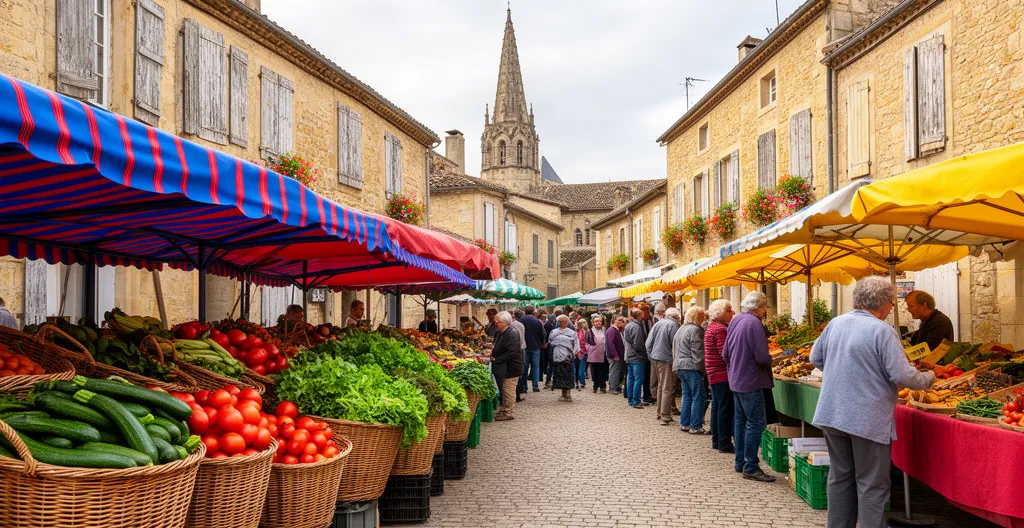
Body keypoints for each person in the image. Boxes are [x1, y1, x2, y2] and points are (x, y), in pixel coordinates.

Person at [812, 276, 935, 528]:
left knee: (840, 477)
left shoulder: (836, 323)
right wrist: (929, 377)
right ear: (880, 303)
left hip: (832, 412)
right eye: (891, 302)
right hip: (866, 417)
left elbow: (816, 357)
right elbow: (902, 375)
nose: (892, 307)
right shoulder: (882, 331)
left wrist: (844, 371)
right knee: (871, 483)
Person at [723, 291, 775, 482]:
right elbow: (761, 356)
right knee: (756, 422)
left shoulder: (736, 320)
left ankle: (740, 462)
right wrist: (771, 360)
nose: (765, 310)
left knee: (740, 421)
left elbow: (725, 352)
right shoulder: (754, 323)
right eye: (765, 306)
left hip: (736, 378)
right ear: (759, 307)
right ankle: (751, 465)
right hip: (750, 380)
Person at [705, 299, 736, 453]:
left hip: (713, 373)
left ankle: (717, 440)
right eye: (730, 310)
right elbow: (725, 353)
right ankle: (724, 442)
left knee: (717, 407)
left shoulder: (712, 327)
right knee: (725, 408)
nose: (732, 313)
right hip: (721, 373)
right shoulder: (720, 329)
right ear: (722, 313)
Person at [674, 306, 709, 434]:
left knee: (687, 395)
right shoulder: (695, 330)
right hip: (692, 366)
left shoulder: (681, 329)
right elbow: (698, 352)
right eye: (702, 316)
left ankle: (685, 423)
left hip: (681, 365)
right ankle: (695, 426)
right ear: (697, 317)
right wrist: (703, 369)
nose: (704, 318)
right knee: (698, 396)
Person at [646, 307, 681, 425]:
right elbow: (675, 344)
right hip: (666, 359)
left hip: (656, 357)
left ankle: (660, 412)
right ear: (676, 317)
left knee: (661, 386)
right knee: (667, 387)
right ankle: (665, 415)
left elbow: (648, 342)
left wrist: (651, 354)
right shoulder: (674, 325)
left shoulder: (658, 323)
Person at [491, 311, 526, 421]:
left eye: (499, 322)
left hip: (512, 366)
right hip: (507, 365)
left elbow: (513, 352)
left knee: (508, 389)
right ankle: (504, 409)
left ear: (506, 322)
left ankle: (509, 412)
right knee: (505, 389)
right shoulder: (502, 332)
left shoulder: (511, 333)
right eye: (495, 321)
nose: (496, 323)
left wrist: (497, 359)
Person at [548, 314, 580, 402]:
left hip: (567, 357)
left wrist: (573, 354)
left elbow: (576, 345)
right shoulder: (553, 332)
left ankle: (568, 394)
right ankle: (563, 393)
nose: (562, 323)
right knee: (559, 375)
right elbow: (550, 343)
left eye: (564, 321)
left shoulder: (572, 332)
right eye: (560, 321)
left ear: (567, 322)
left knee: (568, 375)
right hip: (557, 356)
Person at [623, 308, 649, 408]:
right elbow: (638, 344)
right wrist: (644, 354)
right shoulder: (636, 327)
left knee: (631, 379)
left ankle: (631, 399)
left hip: (629, 355)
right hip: (637, 357)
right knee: (638, 379)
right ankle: (636, 400)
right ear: (639, 316)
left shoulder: (628, 325)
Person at [519, 306, 546, 394]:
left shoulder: (521, 320)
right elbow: (543, 334)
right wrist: (542, 342)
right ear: (533, 312)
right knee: (535, 367)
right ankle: (535, 386)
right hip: (536, 346)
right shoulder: (537, 321)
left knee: (525, 367)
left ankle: (524, 387)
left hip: (525, 346)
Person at [585, 315, 609, 393]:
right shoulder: (589, 331)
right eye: (596, 321)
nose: (598, 322)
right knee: (594, 371)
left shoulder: (604, 330)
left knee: (603, 370)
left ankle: (602, 386)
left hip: (603, 353)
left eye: (600, 321)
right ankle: (595, 386)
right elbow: (587, 343)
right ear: (593, 323)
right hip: (593, 354)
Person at [605, 316, 627, 395]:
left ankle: (615, 386)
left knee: (617, 371)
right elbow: (610, 344)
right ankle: (612, 388)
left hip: (619, 355)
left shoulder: (618, 330)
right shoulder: (611, 330)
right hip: (614, 355)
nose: (621, 322)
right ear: (614, 320)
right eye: (619, 320)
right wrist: (615, 355)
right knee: (614, 371)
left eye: (622, 320)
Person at [639, 303, 655, 404]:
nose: (648, 314)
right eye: (646, 312)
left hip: (649, 350)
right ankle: (645, 395)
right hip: (642, 351)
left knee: (648, 373)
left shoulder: (650, 320)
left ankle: (648, 394)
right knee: (644, 374)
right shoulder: (639, 323)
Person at [511, 310, 528, 400]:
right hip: (521, 348)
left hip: (517, 349)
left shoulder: (512, 325)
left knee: (518, 370)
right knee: (521, 370)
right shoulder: (520, 325)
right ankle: (521, 390)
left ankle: (519, 392)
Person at [575, 318, 590, 390]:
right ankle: (582, 382)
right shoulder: (588, 331)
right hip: (585, 352)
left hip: (578, 352)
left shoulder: (579, 332)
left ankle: (577, 382)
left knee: (577, 368)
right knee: (582, 368)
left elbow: (579, 342)